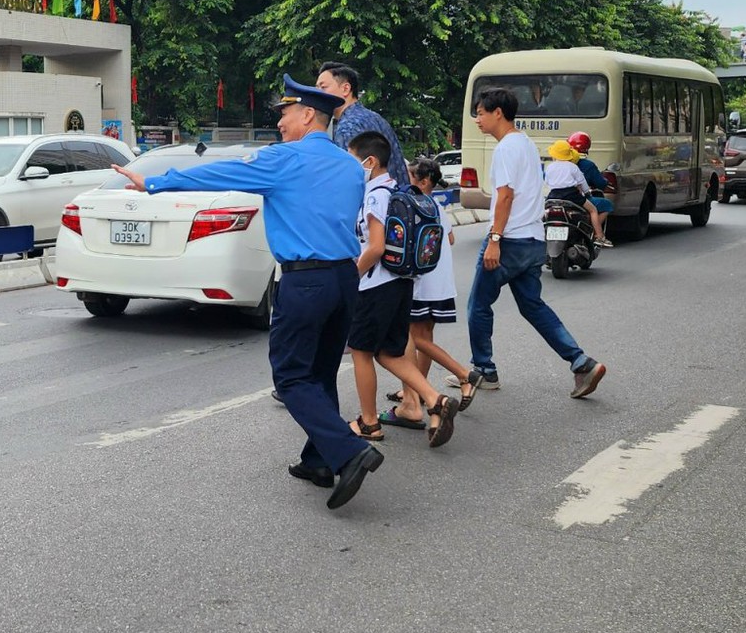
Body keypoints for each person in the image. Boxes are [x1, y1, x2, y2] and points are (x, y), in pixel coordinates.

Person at [113, 74, 383, 510]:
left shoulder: (285, 159)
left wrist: (156, 182)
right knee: (320, 372)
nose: (279, 122)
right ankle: (319, 460)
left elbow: (224, 173)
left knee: (292, 376)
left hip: (306, 280)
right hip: (344, 279)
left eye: (285, 113)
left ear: (308, 115)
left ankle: (350, 451)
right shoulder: (351, 165)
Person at [467, 87, 608, 399]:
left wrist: (494, 239)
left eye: (480, 112)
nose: (477, 119)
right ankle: (581, 362)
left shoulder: (505, 149)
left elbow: (505, 196)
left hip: (510, 240)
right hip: (533, 239)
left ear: (497, 113)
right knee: (533, 306)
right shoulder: (528, 144)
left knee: (478, 304)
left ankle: (484, 370)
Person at [342, 131, 459, 448]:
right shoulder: (398, 189)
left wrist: (351, 276)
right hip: (402, 282)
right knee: (389, 352)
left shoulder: (375, 195)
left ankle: (368, 424)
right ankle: (435, 400)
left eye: (352, 159)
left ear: (370, 161)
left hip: (377, 284)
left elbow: (376, 246)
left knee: (362, 352)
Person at [384, 158, 479, 431]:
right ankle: (415, 390)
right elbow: (449, 239)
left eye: (410, 177)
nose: (405, 182)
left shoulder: (410, 204)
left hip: (421, 284)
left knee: (413, 339)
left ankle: (463, 374)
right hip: (441, 283)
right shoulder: (436, 205)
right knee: (424, 337)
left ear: (424, 181)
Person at [319, 62, 410, 191]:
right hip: (397, 202)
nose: (318, 93)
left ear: (346, 89)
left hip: (373, 207)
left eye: (323, 87)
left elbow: (350, 184)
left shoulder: (348, 127)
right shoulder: (375, 118)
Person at [543, 139, 611, 247]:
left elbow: (547, 182)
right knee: (593, 210)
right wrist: (586, 192)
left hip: (553, 195)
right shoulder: (573, 167)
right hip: (572, 196)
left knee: (544, 214)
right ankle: (600, 236)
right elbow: (582, 184)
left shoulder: (550, 167)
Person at [569, 132, 618, 239]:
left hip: (554, 197)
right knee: (606, 205)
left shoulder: (554, 166)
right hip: (576, 198)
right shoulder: (586, 166)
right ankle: (593, 232)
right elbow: (597, 184)